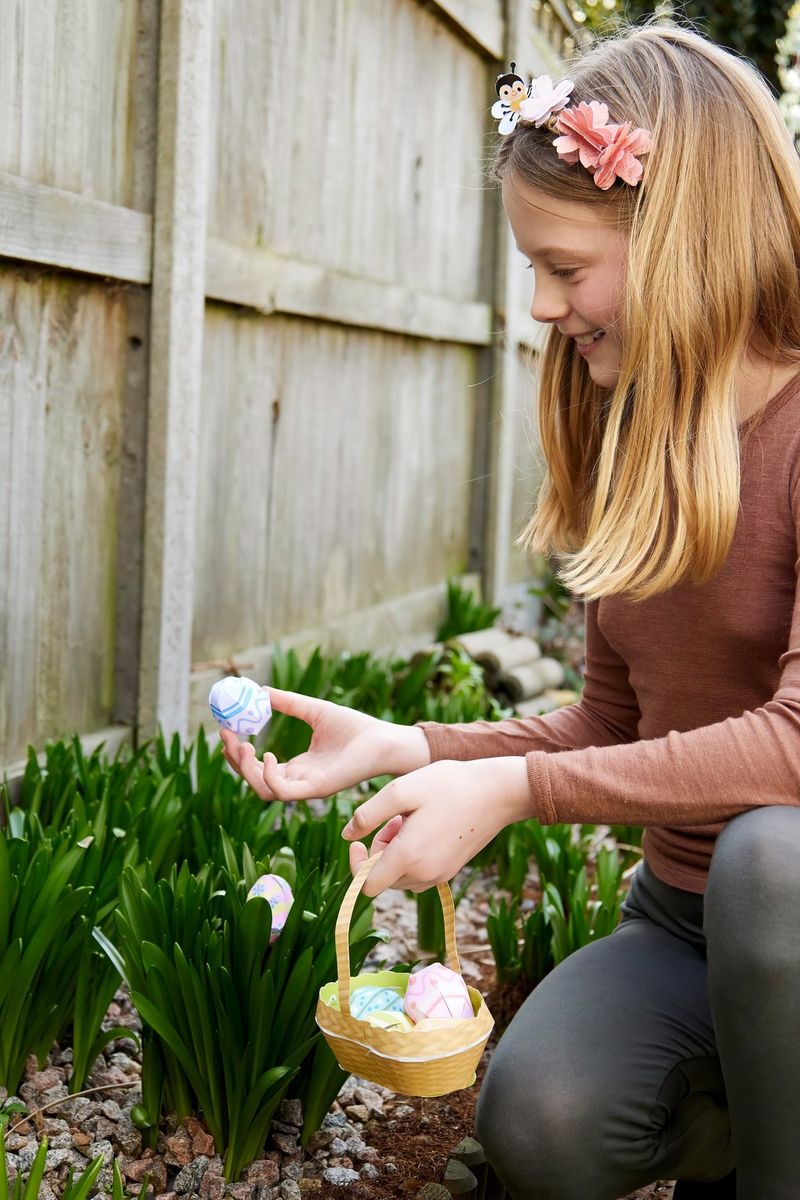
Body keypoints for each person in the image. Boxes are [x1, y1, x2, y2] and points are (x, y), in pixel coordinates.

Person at [221, 19, 800, 1200]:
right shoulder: (629, 432)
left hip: (780, 901)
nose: (539, 307)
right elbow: (608, 726)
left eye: (563, 268)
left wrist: (515, 792)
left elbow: (793, 753)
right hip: (686, 924)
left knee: (770, 863)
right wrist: (417, 747)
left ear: (683, 244)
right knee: (539, 1115)